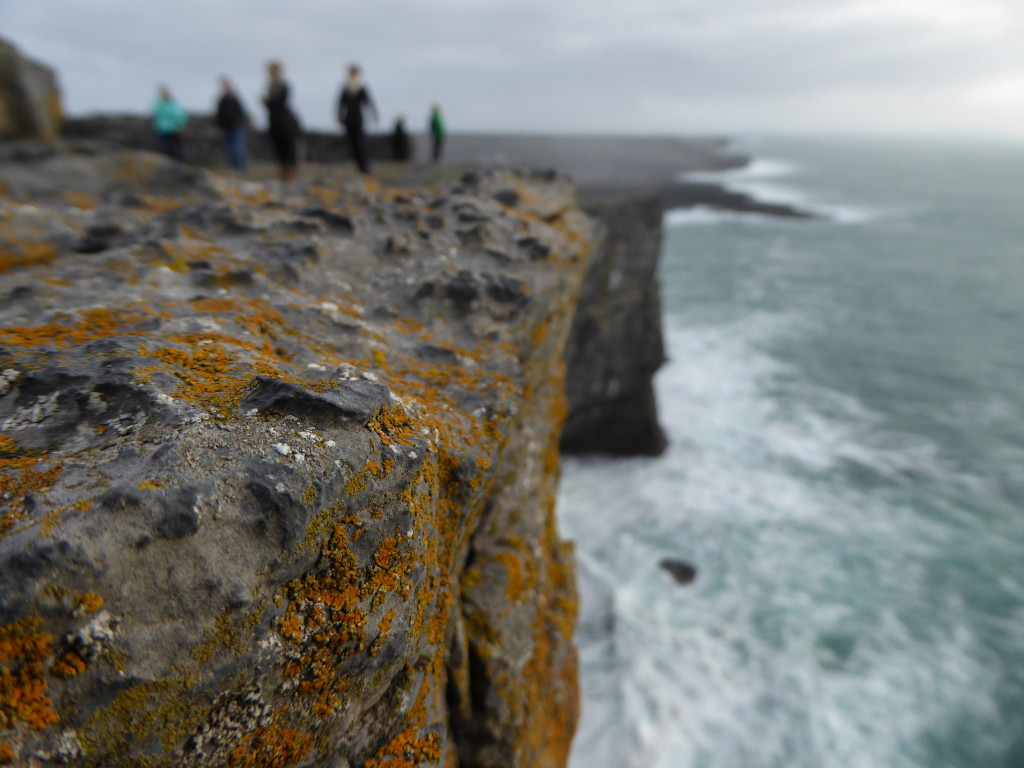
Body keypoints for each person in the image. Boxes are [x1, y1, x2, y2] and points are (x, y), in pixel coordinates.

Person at [337, 64, 378, 175]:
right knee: (351, 142)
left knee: (359, 141)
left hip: (358, 118)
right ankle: (358, 165)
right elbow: (340, 104)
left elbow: (368, 103)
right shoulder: (346, 88)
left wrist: (375, 116)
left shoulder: (360, 87)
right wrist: (340, 116)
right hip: (348, 118)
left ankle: (364, 165)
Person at [262, 61, 300, 181]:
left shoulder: (283, 85)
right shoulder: (270, 86)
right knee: (279, 147)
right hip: (275, 121)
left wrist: (268, 102)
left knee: (288, 146)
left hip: (284, 121)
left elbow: (280, 103)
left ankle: (291, 170)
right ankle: (284, 170)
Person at [215, 77, 248, 171]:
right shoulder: (222, 100)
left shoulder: (235, 99)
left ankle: (241, 167)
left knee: (238, 148)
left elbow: (241, 112)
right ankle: (234, 166)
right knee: (230, 148)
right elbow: (220, 114)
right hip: (226, 127)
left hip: (236, 127)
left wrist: (239, 122)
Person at [151, 86, 188, 161]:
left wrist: (181, 125)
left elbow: (181, 116)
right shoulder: (159, 104)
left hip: (174, 129)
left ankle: (177, 165)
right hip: (163, 130)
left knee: (175, 150)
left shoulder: (173, 104)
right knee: (165, 149)